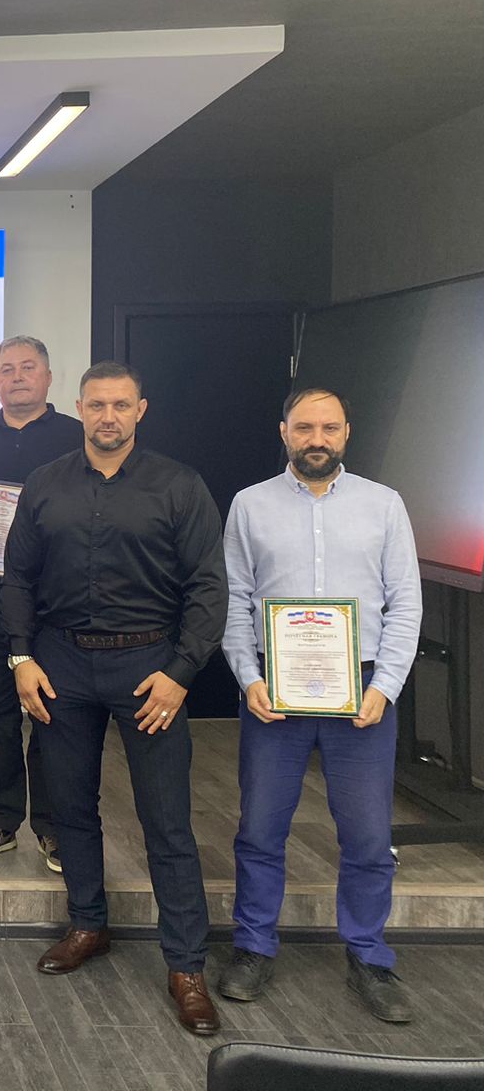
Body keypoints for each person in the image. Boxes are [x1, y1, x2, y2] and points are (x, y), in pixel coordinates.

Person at [1, 361, 226, 1035]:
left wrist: (181, 672)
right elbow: (17, 578)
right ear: (79, 407)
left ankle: (186, 965)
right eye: (96, 404)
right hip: (61, 665)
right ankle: (88, 925)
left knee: (166, 820)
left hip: (149, 667)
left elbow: (208, 586)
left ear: (140, 410)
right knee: (71, 809)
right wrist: (20, 657)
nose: (108, 416)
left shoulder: (179, 485)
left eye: (120, 405)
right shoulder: (45, 484)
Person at [218, 388, 422, 1022]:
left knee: (368, 835)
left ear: (346, 433)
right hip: (274, 691)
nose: (317, 438)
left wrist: (385, 686)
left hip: (361, 691)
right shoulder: (250, 505)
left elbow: (405, 603)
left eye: (329, 427)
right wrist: (248, 677)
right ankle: (253, 946)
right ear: (284, 432)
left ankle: (369, 956)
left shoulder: (384, 505)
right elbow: (234, 599)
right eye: (304, 427)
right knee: (260, 829)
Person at [0, 336, 82, 872]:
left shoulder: (75, 436)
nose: (18, 376)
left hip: (55, 602)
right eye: (7, 369)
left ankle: (52, 825)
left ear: (48, 377)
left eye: (28, 367)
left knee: (51, 712)